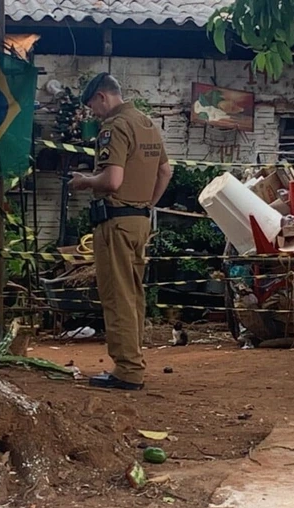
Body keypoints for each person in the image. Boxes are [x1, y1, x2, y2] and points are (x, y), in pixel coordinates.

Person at [71, 73, 173, 390]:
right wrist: (146, 205)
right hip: (140, 222)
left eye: (93, 106)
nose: (94, 114)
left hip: (115, 221)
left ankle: (127, 370)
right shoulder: (146, 123)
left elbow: (112, 181)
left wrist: (85, 181)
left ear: (103, 96)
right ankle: (132, 362)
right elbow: (166, 170)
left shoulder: (115, 127)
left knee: (117, 296)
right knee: (133, 294)